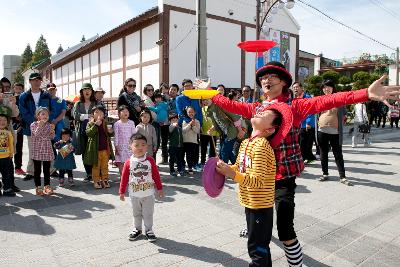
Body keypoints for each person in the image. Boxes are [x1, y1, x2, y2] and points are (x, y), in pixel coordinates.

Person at [204, 61, 398, 267]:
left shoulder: (295, 105)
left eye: (272, 76)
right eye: (262, 77)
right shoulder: (258, 107)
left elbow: (328, 100)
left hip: (282, 175)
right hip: (256, 176)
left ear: (284, 81)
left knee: (286, 230)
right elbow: (232, 105)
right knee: (256, 217)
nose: (266, 80)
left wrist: (365, 94)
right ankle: (257, 232)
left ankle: (294, 263)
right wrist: (209, 94)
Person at [216, 102, 292, 267]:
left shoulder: (262, 146)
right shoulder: (246, 143)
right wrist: (226, 168)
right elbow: (241, 167)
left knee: (257, 248)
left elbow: (256, 181)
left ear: (270, 129)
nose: (260, 112)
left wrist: (231, 174)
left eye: (265, 114)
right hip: (250, 202)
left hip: (260, 206)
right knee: (257, 245)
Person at [119, 133, 164, 242]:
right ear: (131, 147)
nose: (140, 147)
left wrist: (160, 188)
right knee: (136, 213)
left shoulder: (150, 160)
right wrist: (121, 191)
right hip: (134, 194)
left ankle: (149, 230)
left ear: (147, 146)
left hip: (148, 194)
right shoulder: (128, 162)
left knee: (148, 213)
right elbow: (124, 178)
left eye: (143, 145)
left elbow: (156, 175)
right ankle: (137, 229)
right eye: (137, 145)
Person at [19, 72, 54, 181]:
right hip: (32, 127)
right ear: (30, 81)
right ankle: (31, 171)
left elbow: (51, 109)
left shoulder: (46, 95)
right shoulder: (24, 96)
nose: (36, 81)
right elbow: (23, 112)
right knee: (32, 149)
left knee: (48, 148)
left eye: (38, 80)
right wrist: (36, 122)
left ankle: (51, 170)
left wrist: (46, 121)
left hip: (46, 126)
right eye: (34, 80)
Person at [317, 80, 351, 185]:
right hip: (322, 130)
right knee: (323, 153)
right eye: (324, 87)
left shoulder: (338, 99)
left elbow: (345, 113)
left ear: (333, 88)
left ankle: (342, 176)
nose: (326, 89)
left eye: (328, 87)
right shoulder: (319, 99)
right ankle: (325, 173)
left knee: (338, 154)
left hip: (335, 131)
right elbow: (316, 113)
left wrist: (344, 119)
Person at [84, 105, 114, 189]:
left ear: (104, 114)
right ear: (93, 114)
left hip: (105, 149)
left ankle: (105, 179)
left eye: (101, 112)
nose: (99, 114)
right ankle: (96, 181)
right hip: (95, 150)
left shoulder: (106, 122)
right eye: (96, 112)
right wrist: (96, 125)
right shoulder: (90, 123)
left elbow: (110, 134)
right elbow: (88, 133)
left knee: (105, 166)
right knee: (96, 166)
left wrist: (111, 132)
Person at [72, 83, 97, 182]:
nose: (87, 91)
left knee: (93, 149)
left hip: (93, 130)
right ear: (82, 92)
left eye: (89, 89)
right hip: (81, 130)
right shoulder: (78, 103)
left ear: (92, 91)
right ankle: (88, 173)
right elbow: (75, 115)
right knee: (84, 151)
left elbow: (98, 115)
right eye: (85, 89)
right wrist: (88, 116)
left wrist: (83, 116)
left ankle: (95, 172)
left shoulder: (96, 103)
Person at [31, 107, 55, 196]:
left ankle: (47, 186)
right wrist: (40, 125)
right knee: (37, 170)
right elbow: (36, 134)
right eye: (43, 114)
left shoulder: (49, 125)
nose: (45, 116)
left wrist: (52, 131)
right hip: (37, 150)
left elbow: (52, 137)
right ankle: (38, 187)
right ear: (38, 116)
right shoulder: (33, 124)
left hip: (47, 149)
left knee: (46, 170)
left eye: (47, 114)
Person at [293, 82, 317, 164]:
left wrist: (308, 122)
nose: (295, 89)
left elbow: (311, 110)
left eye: (297, 87)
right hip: (299, 124)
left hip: (307, 124)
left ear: (301, 88)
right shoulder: (296, 98)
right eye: (294, 87)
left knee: (304, 143)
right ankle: (309, 157)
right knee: (302, 142)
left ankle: (302, 160)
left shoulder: (307, 97)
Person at [0, 106, 18, 196]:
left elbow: (11, 144)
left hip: (6, 157)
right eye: (0, 120)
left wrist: (11, 154)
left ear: (7, 123)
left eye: (4, 120)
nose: (2, 122)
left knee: (6, 175)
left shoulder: (8, 133)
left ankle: (7, 189)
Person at [114, 105, 137, 175]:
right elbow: (116, 136)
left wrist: (134, 145)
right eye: (123, 111)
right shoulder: (117, 124)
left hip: (129, 146)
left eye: (127, 111)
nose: (125, 113)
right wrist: (116, 146)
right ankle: (122, 177)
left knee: (130, 162)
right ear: (119, 114)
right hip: (120, 146)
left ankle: (130, 177)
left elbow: (134, 135)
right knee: (121, 162)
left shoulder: (131, 123)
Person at [148, 92, 169, 164]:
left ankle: (164, 158)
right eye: (156, 98)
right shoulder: (163, 104)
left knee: (162, 140)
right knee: (161, 140)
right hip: (161, 121)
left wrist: (148, 107)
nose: (158, 99)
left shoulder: (161, 104)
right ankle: (163, 158)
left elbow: (156, 110)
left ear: (161, 98)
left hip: (160, 121)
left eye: (159, 97)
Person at [182, 106, 200, 174]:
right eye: (189, 112)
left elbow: (197, 131)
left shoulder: (197, 121)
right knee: (183, 155)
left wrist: (193, 125)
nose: (190, 113)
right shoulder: (184, 121)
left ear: (195, 113)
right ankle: (182, 167)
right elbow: (183, 130)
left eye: (192, 112)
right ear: (187, 113)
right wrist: (189, 124)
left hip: (193, 141)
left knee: (190, 155)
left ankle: (190, 167)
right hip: (185, 140)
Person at [200, 99, 218, 167]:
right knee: (203, 148)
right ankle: (202, 161)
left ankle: (211, 162)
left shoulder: (214, 108)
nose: (205, 101)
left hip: (213, 131)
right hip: (203, 131)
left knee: (213, 148)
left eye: (207, 100)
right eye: (204, 100)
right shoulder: (201, 109)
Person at [12, 83, 25, 175]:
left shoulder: (24, 99)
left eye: (20, 88)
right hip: (9, 125)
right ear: (13, 89)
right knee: (7, 147)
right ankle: (7, 167)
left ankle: (18, 167)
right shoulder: (9, 97)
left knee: (18, 147)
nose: (18, 89)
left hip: (20, 125)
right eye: (16, 88)